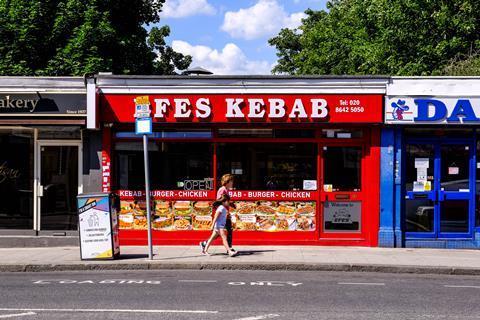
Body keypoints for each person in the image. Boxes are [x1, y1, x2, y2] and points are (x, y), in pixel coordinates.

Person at [200, 174, 236, 253]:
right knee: (226, 231)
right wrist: (225, 211)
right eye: (231, 181)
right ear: (227, 182)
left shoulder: (226, 190)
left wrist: (230, 204)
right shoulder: (222, 190)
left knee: (221, 232)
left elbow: (225, 201)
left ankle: (205, 243)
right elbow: (220, 201)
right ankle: (229, 249)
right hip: (223, 214)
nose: (232, 182)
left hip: (225, 213)